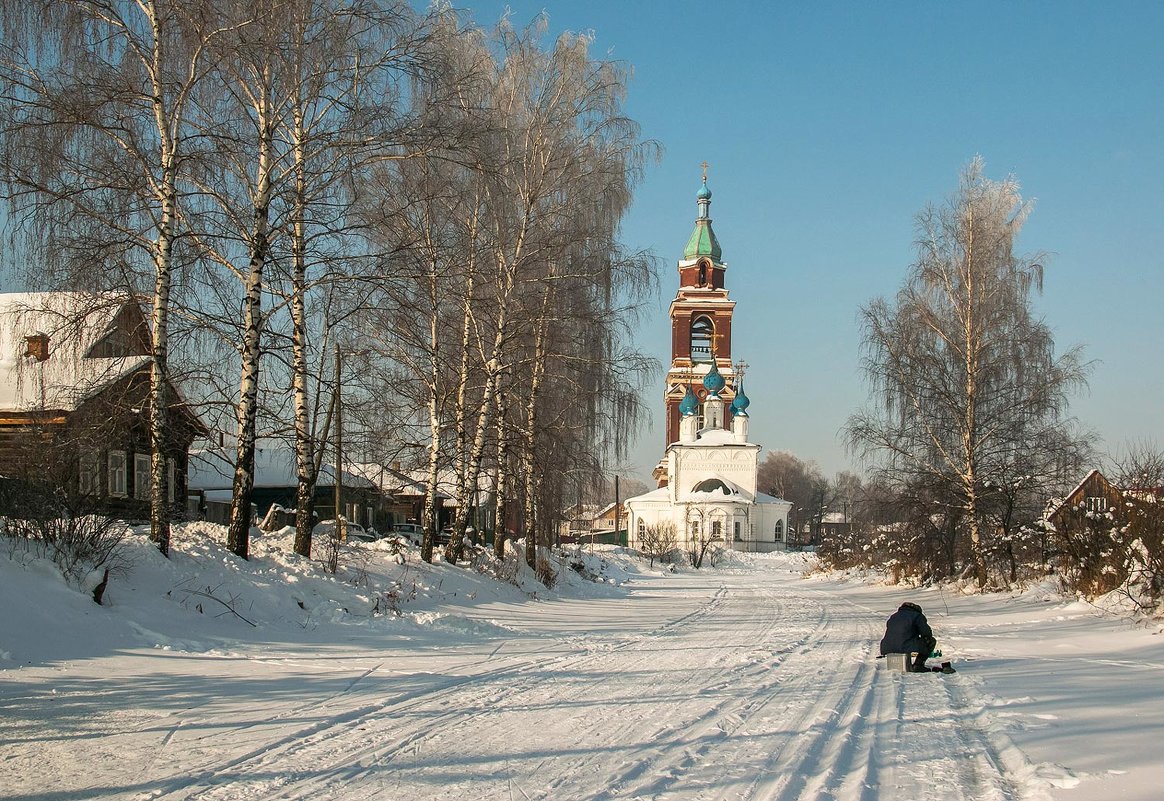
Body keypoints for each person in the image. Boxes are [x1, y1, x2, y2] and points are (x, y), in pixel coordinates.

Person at [880, 601, 938, 673]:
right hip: (904, 645)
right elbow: (926, 633)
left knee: (902, 641)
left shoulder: (894, 616)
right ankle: (918, 665)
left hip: (887, 646)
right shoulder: (917, 615)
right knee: (930, 641)